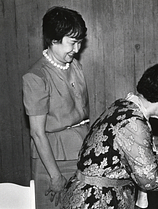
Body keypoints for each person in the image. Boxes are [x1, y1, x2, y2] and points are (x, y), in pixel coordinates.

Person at [61, 61, 158, 209]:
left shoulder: (125, 106)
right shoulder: (134, 123)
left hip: (90, 195)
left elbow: (129, 156)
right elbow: (149, 179)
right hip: (95, 200)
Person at [22, 6, 89, 209]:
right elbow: (37, 132)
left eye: (80, 43)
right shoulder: (36, 77)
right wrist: (55, 175)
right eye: (72, 43)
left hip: (82, 154)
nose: (76, 50)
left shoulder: (75, 66)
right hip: (53, 160)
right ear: (53, 40)